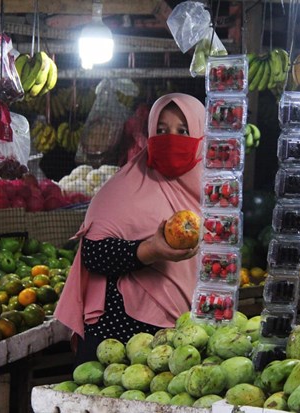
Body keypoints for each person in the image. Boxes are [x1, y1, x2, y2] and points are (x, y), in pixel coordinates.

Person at [54, 93, 205, 365]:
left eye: (183, 131)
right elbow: (93, 255)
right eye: (161, 130)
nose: (171, 138)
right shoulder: (121, 189)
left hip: (184, 337)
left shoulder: (215, 196)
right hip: (118, 335)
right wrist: (149, 250)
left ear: (201, 135)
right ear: (149, 134)